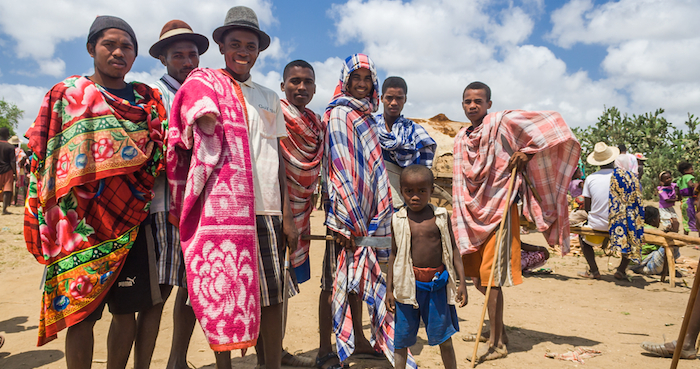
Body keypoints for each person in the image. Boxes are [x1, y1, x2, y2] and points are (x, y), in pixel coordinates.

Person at [23, 15, 167, 369]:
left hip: (132, 220)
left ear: (135, 56)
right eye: (110, 45)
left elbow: (159, 155)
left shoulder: (147, 101)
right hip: (78, 228)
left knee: (126, 312)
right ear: (91, 49)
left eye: (127, 47)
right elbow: (43, 154)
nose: (119, 53)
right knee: (81, 317)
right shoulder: (66, 94)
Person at [193, 7, 297, 369]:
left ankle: (271, 363)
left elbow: (278, 157)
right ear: (221, 46)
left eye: (249, 45)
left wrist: (288, 214)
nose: (242, 51)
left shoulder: (269, 98)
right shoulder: (207, 88)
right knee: (223, 295)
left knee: (271, 295)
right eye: (234, 43)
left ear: (258, 51)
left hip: (267, 209)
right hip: (223, 211)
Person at [453, 81, 580, 362]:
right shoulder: (462, 137)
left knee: (492, 279)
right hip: (472, 216)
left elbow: (551, 124)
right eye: (467, 101)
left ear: (489, 104)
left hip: (499, 208)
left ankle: (498, 344)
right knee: (478, 280)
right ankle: (500, 333)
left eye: (478, 101)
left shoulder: (502, 122)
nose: (472, 105)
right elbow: (462, 182)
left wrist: (528, 153)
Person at [319, 53, 402, 368]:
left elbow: (372, 165)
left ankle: (362, 340)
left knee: (360, 276)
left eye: (368, 79)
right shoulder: (339, 114)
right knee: (336, 280)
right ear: (346, 80)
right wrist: (349, 215)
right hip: (345, 214)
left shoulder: (369, 117)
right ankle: (332, 346)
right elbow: (340, 167)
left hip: (370, 212)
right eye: (357, 78)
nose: (362, 84)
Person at [147, 19, 209, 369]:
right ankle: (145, 359)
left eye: (193, 55)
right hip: (163, 205)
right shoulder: (156, 95)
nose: (188, 61)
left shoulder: (204, 92)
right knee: (161, 289)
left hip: (198, 205)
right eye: (179, 55)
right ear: (163, 59)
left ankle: (176, 360)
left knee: (191, 287)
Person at [386, 165, 467, 369]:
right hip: (407, 288)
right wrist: (389, 289)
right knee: (401, 341)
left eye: (422, 191)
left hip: (436, 288)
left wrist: (461, 282)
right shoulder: (398, 220)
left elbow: (453, 250)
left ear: (432, 190)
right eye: (409, 191)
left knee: (444, 338)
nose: (415, 197)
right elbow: (394, 255)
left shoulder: (440, 217)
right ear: (401, 190)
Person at [277, 59, 323, 367]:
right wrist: (285, 216)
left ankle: (275, 349)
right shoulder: (275, 114)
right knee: (273, 284)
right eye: (295, 81)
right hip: (276, 210)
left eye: (307, 82)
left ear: (315, 88)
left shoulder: (316, 123)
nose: (301, 87)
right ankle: (270, 353)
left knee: (283, 285)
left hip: (303, 210)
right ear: (283, 86)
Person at [577, 142, 643, 281]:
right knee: (632, 233)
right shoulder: (626, 177)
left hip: (597, 224)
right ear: (613, 159)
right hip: (621, 227)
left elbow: (588, 207)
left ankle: (594, 271)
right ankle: (620, 270)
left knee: (582, 237)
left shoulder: (590, 178)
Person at [375, 76, 436, 210]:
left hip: (403, 204)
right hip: (373, 200)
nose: (394, 103)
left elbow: (422, 172)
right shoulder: (370, 128)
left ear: (405, 100)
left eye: (399, 98)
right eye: (389, 98)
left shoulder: (415, 132)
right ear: (381, 99)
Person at [630, 206, 680, 276]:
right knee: (671, 245)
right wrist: (674, 232)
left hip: (631, 264)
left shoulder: (637, 227)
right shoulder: (655, 231)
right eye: (659, 218)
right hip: (647, 266)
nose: (659, 221)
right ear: (654, 220)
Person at [677, 161, 696, 235]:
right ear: (686, 171)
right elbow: (690, 185)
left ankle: (685, 235)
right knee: (694, 217)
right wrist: (697, 185)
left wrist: (679, 198)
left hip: (683, 201)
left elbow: (677, 190)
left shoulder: (680, 179)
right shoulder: (689, 176)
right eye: (691, 169)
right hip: (690, 200)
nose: (693, 171)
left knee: (685, 218)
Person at [0, 128, 16, 214]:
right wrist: (15, 173)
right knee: (7, 189)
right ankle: (4, 209)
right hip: (7, 169)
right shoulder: (10, 147)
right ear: (8, 135)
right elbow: (12, 161)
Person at [9, 135, 27, 206]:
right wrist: (21, 164)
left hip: (9, 169)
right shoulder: (19, 150)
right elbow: (24, 157)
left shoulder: (9, 150)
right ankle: (17, 201)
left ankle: (11, 201)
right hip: (19, 169)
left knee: (10, 185)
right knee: (19, 185)